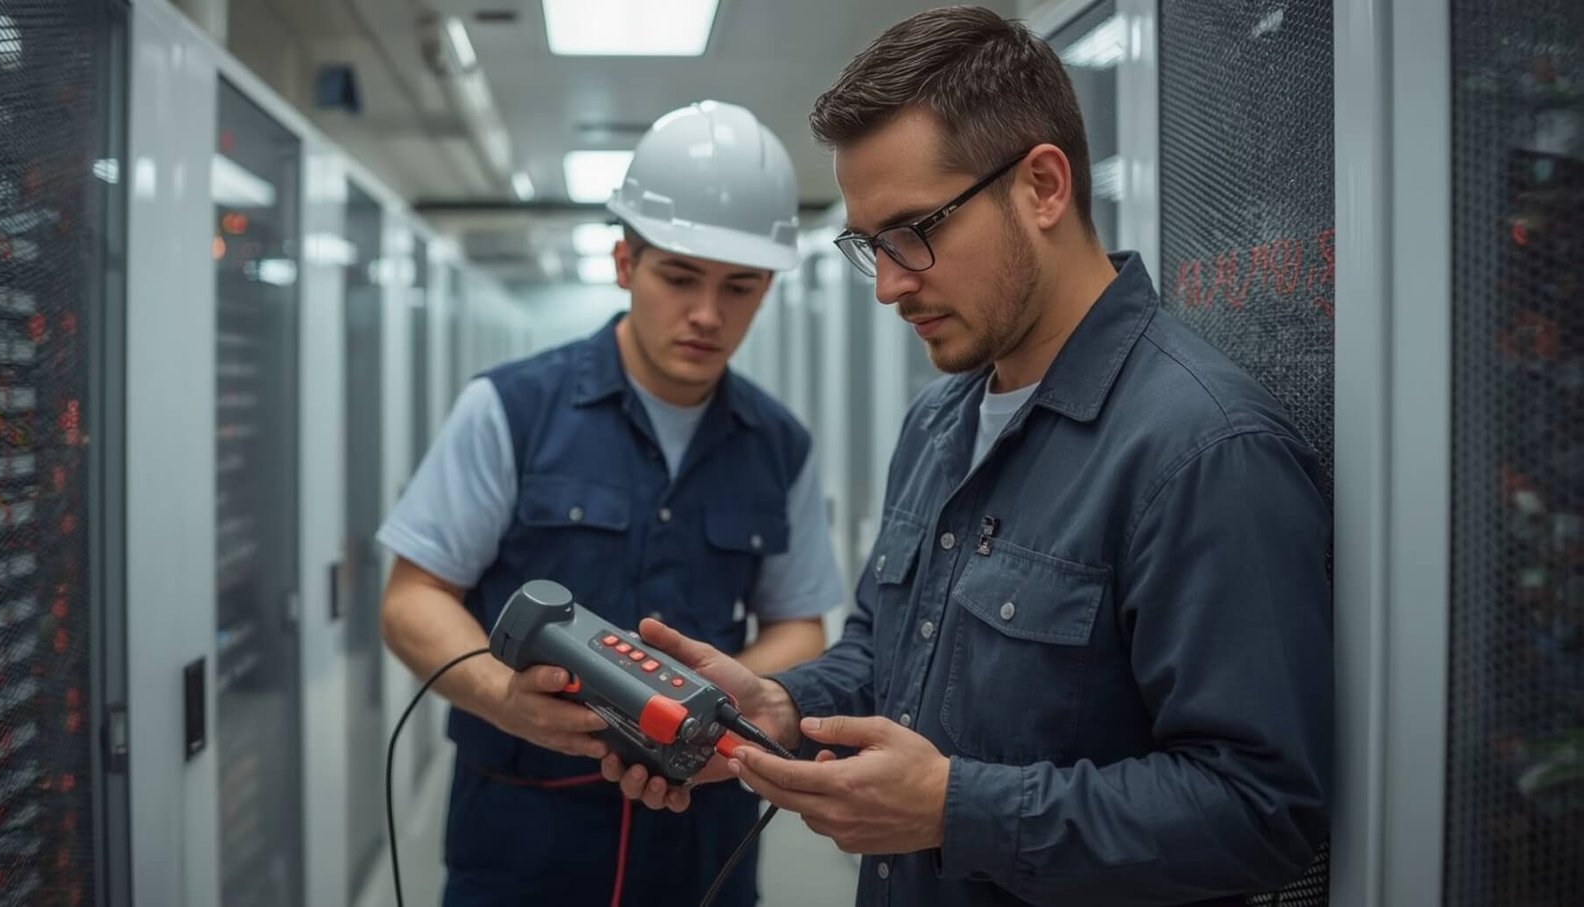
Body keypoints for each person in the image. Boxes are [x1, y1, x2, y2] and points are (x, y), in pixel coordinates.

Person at [608, 9, 1333, 907]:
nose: (887, 284)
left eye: (914, 232)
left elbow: (1263, 811)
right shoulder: (939, 420)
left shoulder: (1202, 451)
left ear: (1041, 186)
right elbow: (885, 649)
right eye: (869, 245)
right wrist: (780, 705)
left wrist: (958, 808)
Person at [376, 100, 840, 907]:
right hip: (523, 832)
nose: (707, 314)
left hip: (702, 833)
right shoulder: (510, 409)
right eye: (679, 277)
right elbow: (413, 598)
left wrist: (709, 706)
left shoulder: (779, 442)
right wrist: (502, 696)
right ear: (625, 262)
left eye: (740, 286)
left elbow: (799, 622)